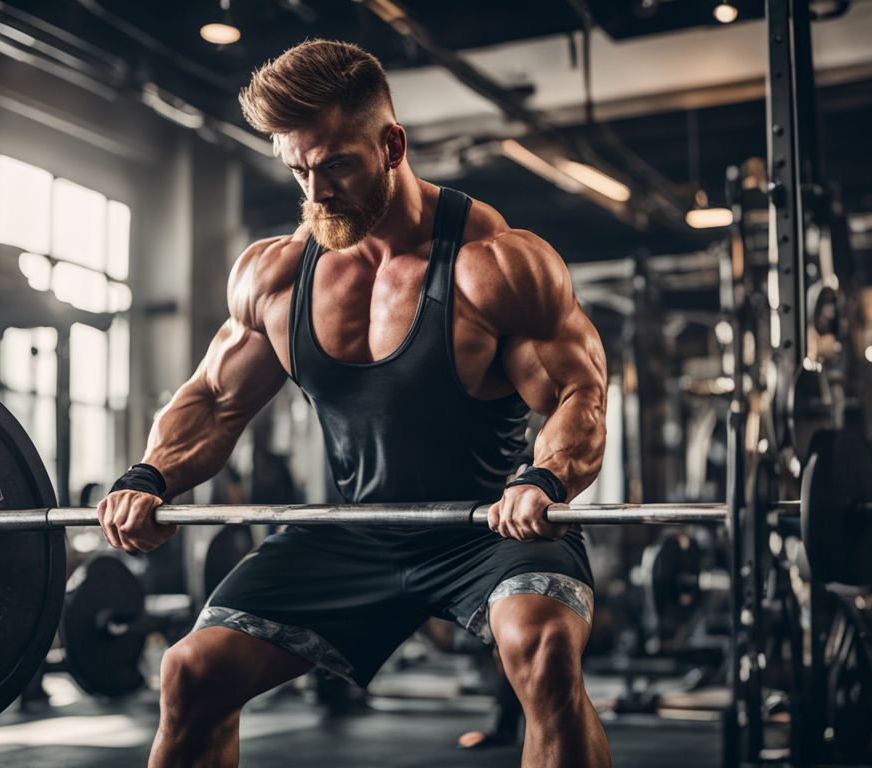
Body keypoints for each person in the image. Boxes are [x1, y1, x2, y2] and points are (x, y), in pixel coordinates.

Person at [98, 39, 611, 768]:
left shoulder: (493, 263)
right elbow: (213, 399)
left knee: (544, 651)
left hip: (490, 527)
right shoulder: (275, 275)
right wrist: (149, 476)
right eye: (298, 169)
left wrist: (545, 477)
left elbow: (577, 393)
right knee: (191, 673)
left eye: (335, 164)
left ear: (391, 143)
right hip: (354, 528)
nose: (316, 192)